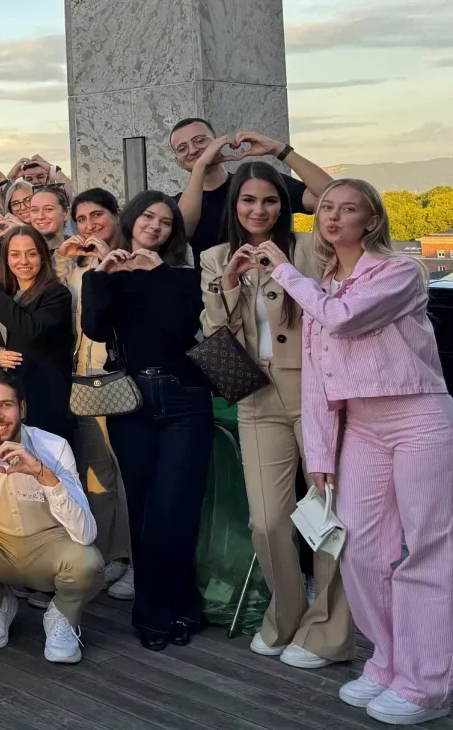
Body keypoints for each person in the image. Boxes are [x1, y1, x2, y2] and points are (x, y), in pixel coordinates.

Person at [268, 179, 453, 725]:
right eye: (326, 206)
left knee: (428, 549)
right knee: (361, 550)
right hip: (363, 427)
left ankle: (428, 682)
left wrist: (285, 271)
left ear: (371, 221)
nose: (333, 216)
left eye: (348, 209)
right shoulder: (324, 285)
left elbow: (344, 316)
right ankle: (390, 661)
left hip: (418, 415)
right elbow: (318, 380)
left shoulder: (400, 271)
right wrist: (320, 455)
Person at [196, 162, 351, 670]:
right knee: (266, 521)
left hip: (315, 393)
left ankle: (328, 632)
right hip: (256, 398)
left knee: (327, 514)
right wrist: (229, 283)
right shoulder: (215, 257)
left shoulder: (310, 248)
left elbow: (340, 198)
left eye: (269, 200)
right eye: (248, 200)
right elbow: (214, 332)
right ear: (234, 204)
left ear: (283, 205)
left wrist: (282, 150)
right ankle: (286, 616)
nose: (258, 210)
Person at [80, 190, 212, 651]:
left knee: (176, 508)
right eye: (148, 217)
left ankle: (179, 605)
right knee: (142, 507)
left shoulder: (183, 276)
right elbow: (95, 328)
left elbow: (181, 330)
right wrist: (101, 274)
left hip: (184, 399)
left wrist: (157, 275)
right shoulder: (106, 275)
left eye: (165, 222)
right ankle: (156, 612)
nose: (155, 226)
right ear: (131, 221)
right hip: (131, 402)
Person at [0, 369, 102, 664]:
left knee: (88, 564)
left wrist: (43, 474)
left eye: (6, 405)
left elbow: (86, 533)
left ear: (23, 408)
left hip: (50, 542)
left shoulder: (54, 446)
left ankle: (62, 615)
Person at [61, 189, 133, 598]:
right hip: (81, 377)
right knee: (96, 470)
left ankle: (137, 558)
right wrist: (62, 261)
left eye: (98, 215)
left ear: (116, 215)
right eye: (82, 219)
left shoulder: (130, 257)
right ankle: (109, 554)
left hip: (117, 374)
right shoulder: (75, 265)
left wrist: (107, 265)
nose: (90, 225)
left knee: (127, 468)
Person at [169, 119, 332, 256]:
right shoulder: (176, 204)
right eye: (182, 148)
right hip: (215, 283)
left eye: (199, 140)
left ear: (217, 141)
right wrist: (201, 165)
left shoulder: (259, 184)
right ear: (177, 161)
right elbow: (183, 232)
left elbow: (331, 197)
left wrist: (277, 148)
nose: (193, 150)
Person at [0, 226, 75, 442]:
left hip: (46, 398)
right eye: (15, 254)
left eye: (31, 254)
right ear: (6, 259)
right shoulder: (5, 293)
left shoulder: (56, 294)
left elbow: (30, 329)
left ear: (43, 257)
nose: (23, 261)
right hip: (10, 397)